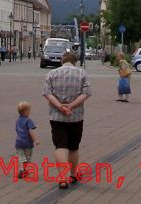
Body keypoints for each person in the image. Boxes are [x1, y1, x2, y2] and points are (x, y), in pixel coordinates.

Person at [42, 51, 91, 190]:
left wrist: (60, 106)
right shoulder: (82, 73)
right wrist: (71, 106)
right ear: (74, 61)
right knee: (73, 147)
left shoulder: (51, 74)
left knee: (60, 146)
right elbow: (86, 93)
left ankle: (62, 178)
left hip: (56, 116)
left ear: (61, 61)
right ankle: (73, 174)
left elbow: (47, 93)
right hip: (76, 116)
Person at [14, 101, 39, 177]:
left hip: (18, 142)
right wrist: (35, 140)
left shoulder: (17, 120)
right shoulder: (29, 120)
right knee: (27, 157)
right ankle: (24, 170)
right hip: (27, 142)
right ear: (26, 111)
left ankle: (21, 169)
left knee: (21, 156)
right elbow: (31, 131)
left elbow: (16, 130)